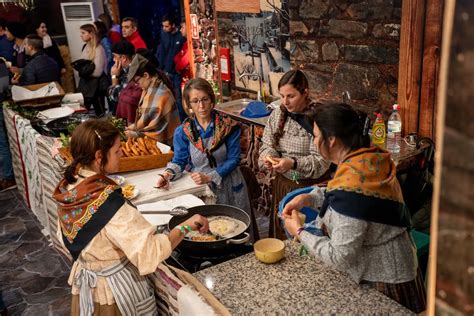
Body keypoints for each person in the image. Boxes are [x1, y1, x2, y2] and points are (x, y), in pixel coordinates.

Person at [53, 119, 209, 315]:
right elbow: (151, 252)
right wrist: (186, 225)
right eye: (117, 150)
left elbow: (65, 237)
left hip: (85, 282)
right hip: (112, 293)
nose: (121, 154)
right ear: (99, 156)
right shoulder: (108, 202)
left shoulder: (68, 187)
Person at [282, 103, 426, 313]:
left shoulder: (354, 184)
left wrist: (300, 232)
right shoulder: (367, 159)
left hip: (385, 280)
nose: (314, 141)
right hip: (394, 263)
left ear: (331, 140)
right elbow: (345, 198)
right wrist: (309, 198)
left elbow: (339, 256)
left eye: (315, 136)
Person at [156, 78, 251, 215]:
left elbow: (234, 159)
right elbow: (179, 161)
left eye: (205, 99)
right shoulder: (183, 131)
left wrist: (210, 176)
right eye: (195, 101)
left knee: (234, 227)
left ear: (211, 100)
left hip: (229, 184)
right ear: (189, 104)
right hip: (201, 187)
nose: (201, 106)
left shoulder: (228, 126)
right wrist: (167, 174)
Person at [258, 69, 330, 237]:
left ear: (305, 93)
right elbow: (267, 144)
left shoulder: (318, 119)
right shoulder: (278, 114)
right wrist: (269, 157)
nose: (285, 102)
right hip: (283, 185)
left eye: (290, 96)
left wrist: (292, 163)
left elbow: (321, 162)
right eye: (282, 96)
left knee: (306, 238)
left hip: (309, 192)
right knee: (283, 237)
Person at [125, 54, 179, 145]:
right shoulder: (149, 89)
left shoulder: (161, 94)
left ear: (146, 75)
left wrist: (133, 133)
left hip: (166, 145)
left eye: (137, 81)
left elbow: (157, 133)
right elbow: (146, 122)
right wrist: (133, 127)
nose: (137, 85)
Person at [156, 14, 186, 121]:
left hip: (177, 73)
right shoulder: (164, 35)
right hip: (166, 71)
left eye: (166, 26)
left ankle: (182, 121)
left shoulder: (181, 36)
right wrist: (160, 68)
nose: (164, 29)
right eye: (163, 26)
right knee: (166, 99)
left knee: (179, 99)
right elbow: (162, 52)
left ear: (173, 25)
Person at [75, 24, 107, 116]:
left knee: (99, 113)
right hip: (86, 85)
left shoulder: (99, 49)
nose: (81, 35)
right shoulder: (85, 47)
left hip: (97, 86)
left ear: (91, 34)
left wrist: (83, 71)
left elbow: (97, 72)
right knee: (83, 112)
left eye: (83, 33)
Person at [107, 40, 142, 120]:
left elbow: (117, 96)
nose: (113, 60)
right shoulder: (126, 70)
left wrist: (114, 76)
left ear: (123, 58)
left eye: (115, 56)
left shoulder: (131, 73)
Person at [173, 22, 190, 87]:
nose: (180, 30)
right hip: (185, 80)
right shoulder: (186, 43)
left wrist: (178, 67)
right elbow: (176, 58)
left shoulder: (190, 45)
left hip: (188, 81)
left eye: (182, 27)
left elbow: (181, 64)